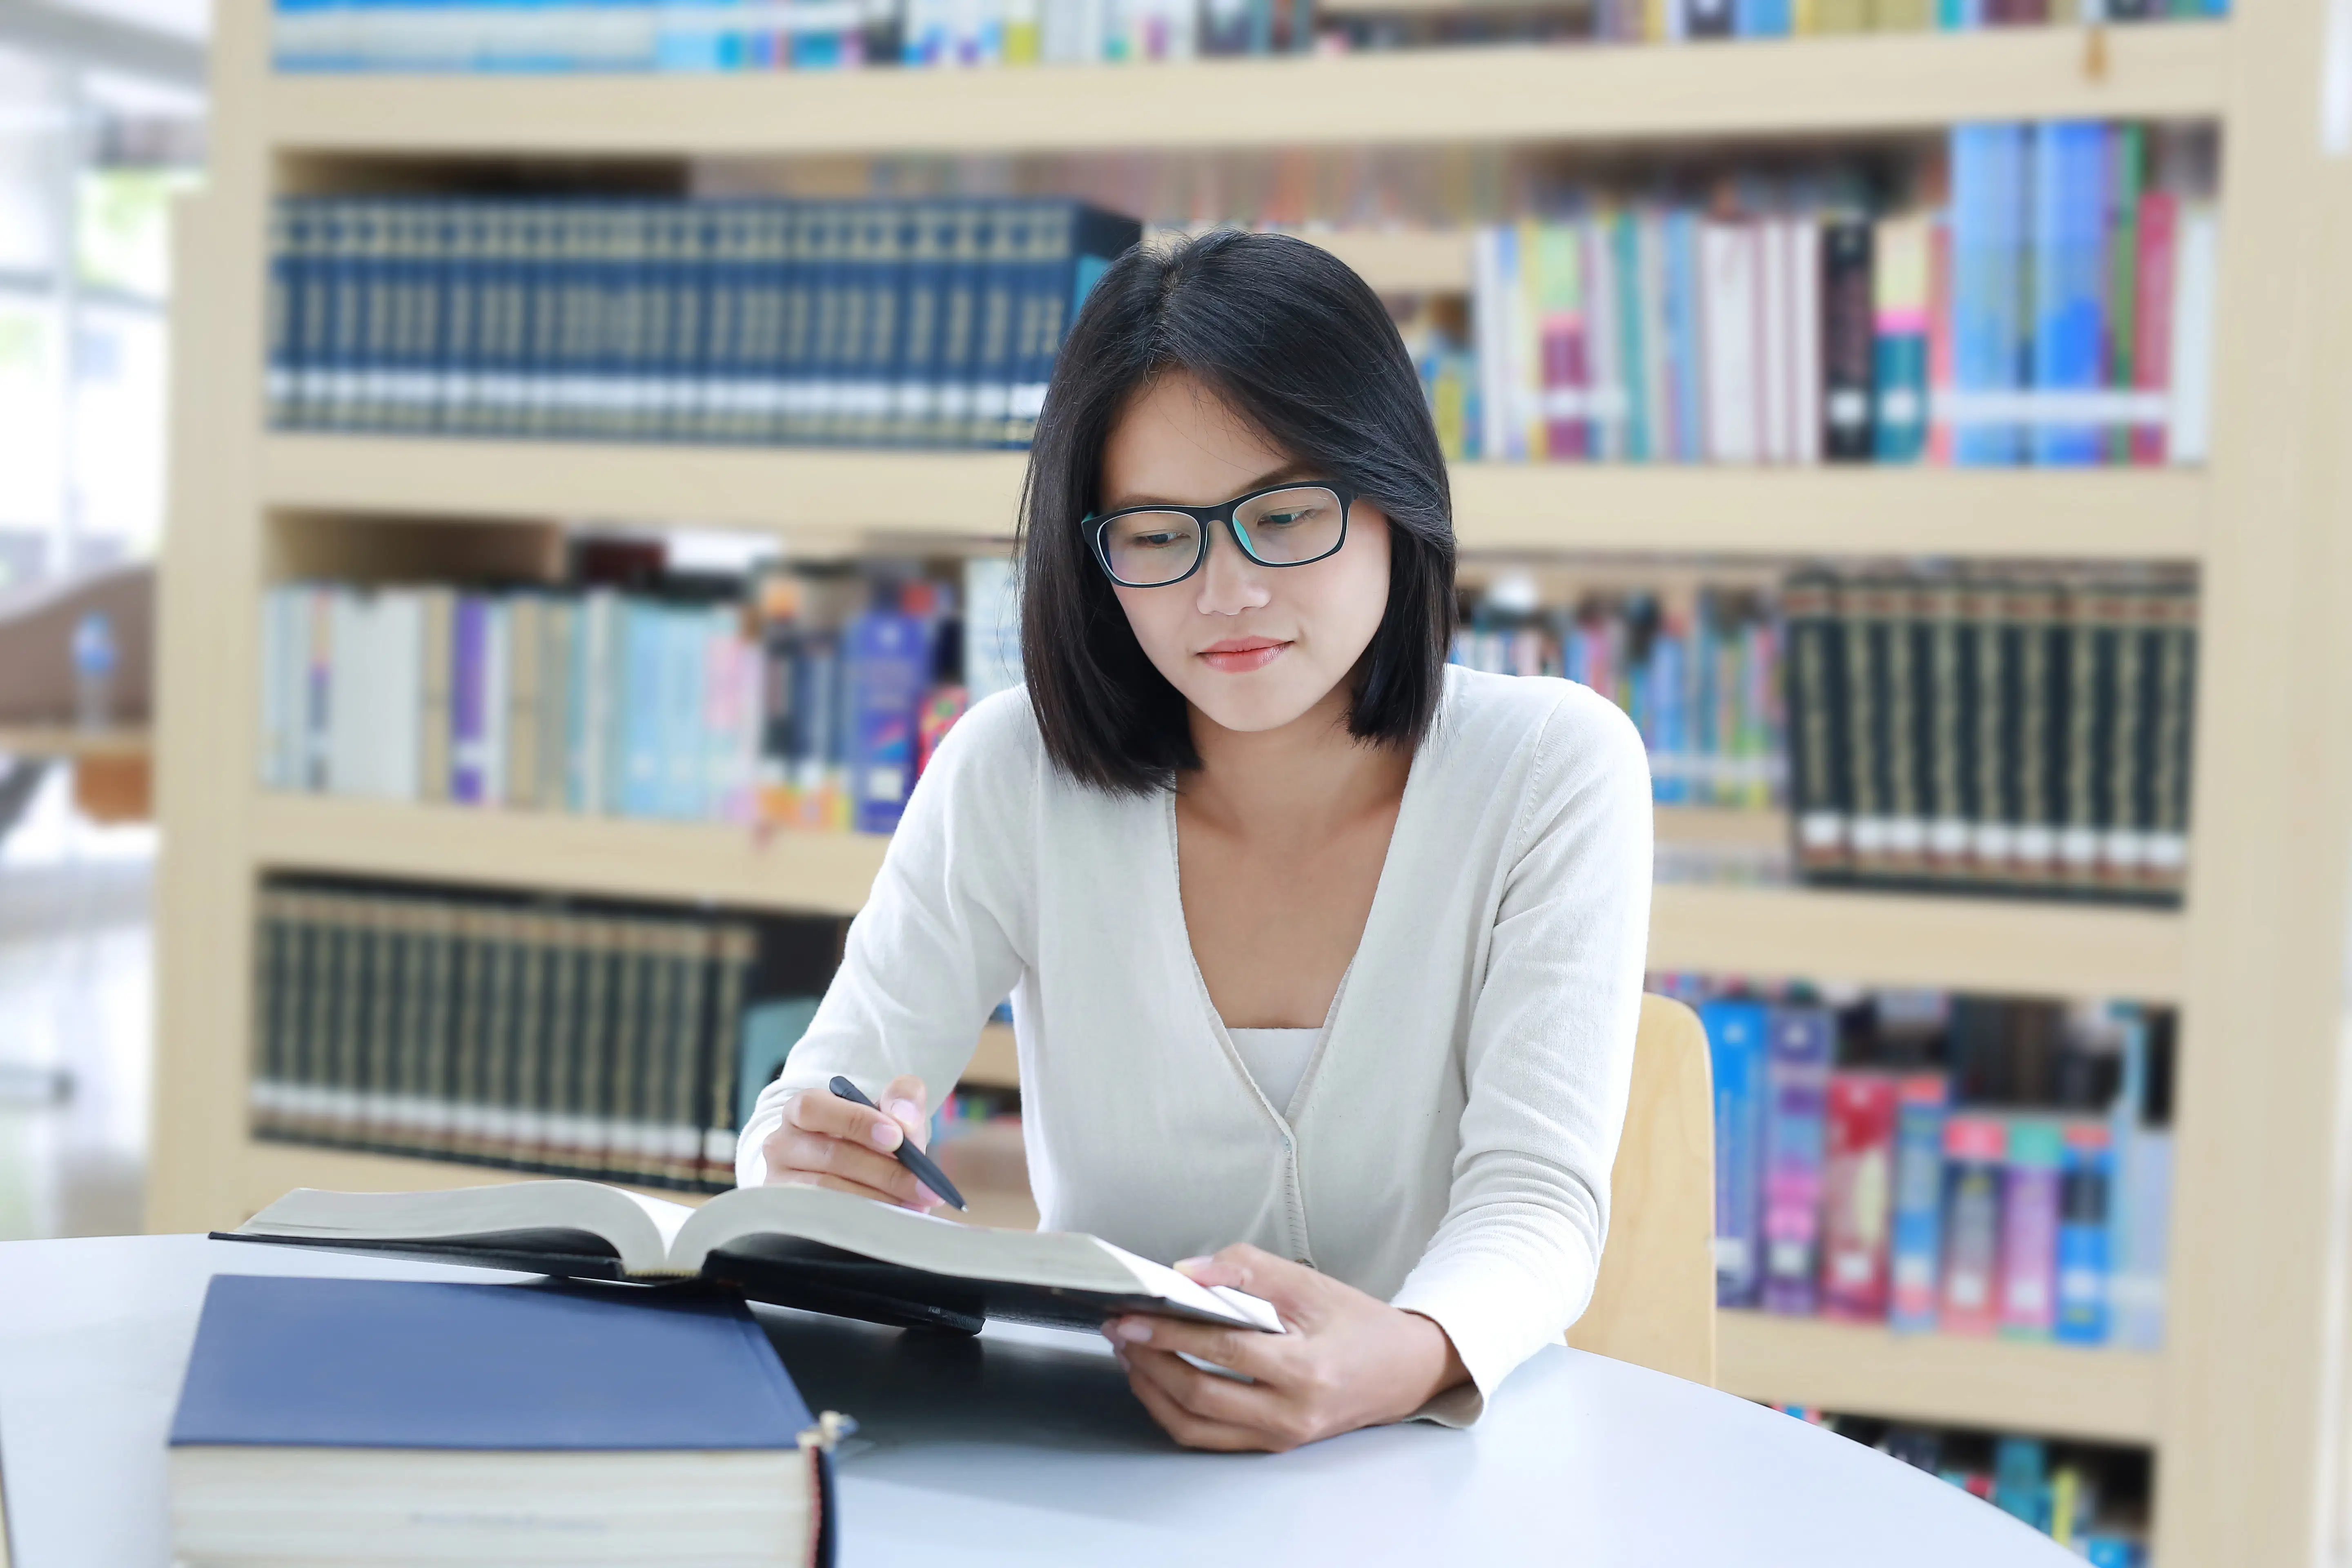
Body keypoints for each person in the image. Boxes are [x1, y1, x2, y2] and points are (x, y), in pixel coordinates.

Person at [738, 229, 1651, 1451]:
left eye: (1282, 516)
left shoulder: (1551, 767)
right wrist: (806, 1164)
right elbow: (817, 1104)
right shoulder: (1012, 774)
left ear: (1394, 500)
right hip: (1106, 1468)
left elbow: (1536, 1201)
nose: (1225, 593)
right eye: (1160, 536)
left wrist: (1402, 1358)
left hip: (1437, 1472)